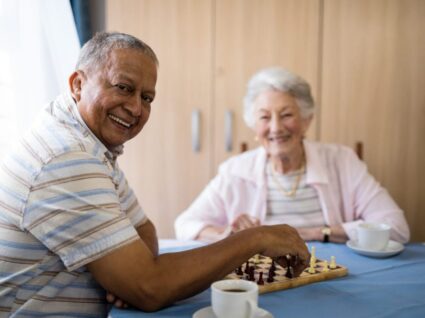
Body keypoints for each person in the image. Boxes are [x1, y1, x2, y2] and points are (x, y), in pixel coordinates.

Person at [0, 32, 309, 316]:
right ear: (77, 84)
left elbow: (145, 231)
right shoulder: (66, 156)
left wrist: (130, 276)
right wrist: (256, 238)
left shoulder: (88, 143)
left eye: (146, 98)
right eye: (123, 87)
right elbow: (149, 288)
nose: (135, 108)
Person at [175, 67, 410, 244]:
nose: (276, 128)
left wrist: (315, 233)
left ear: (306, 120)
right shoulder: (235, 170)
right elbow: (185, 225)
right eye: (265, 117)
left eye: (287, 115)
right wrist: (226, 235)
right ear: (254, 125)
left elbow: (396, 228)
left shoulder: (342, 161)